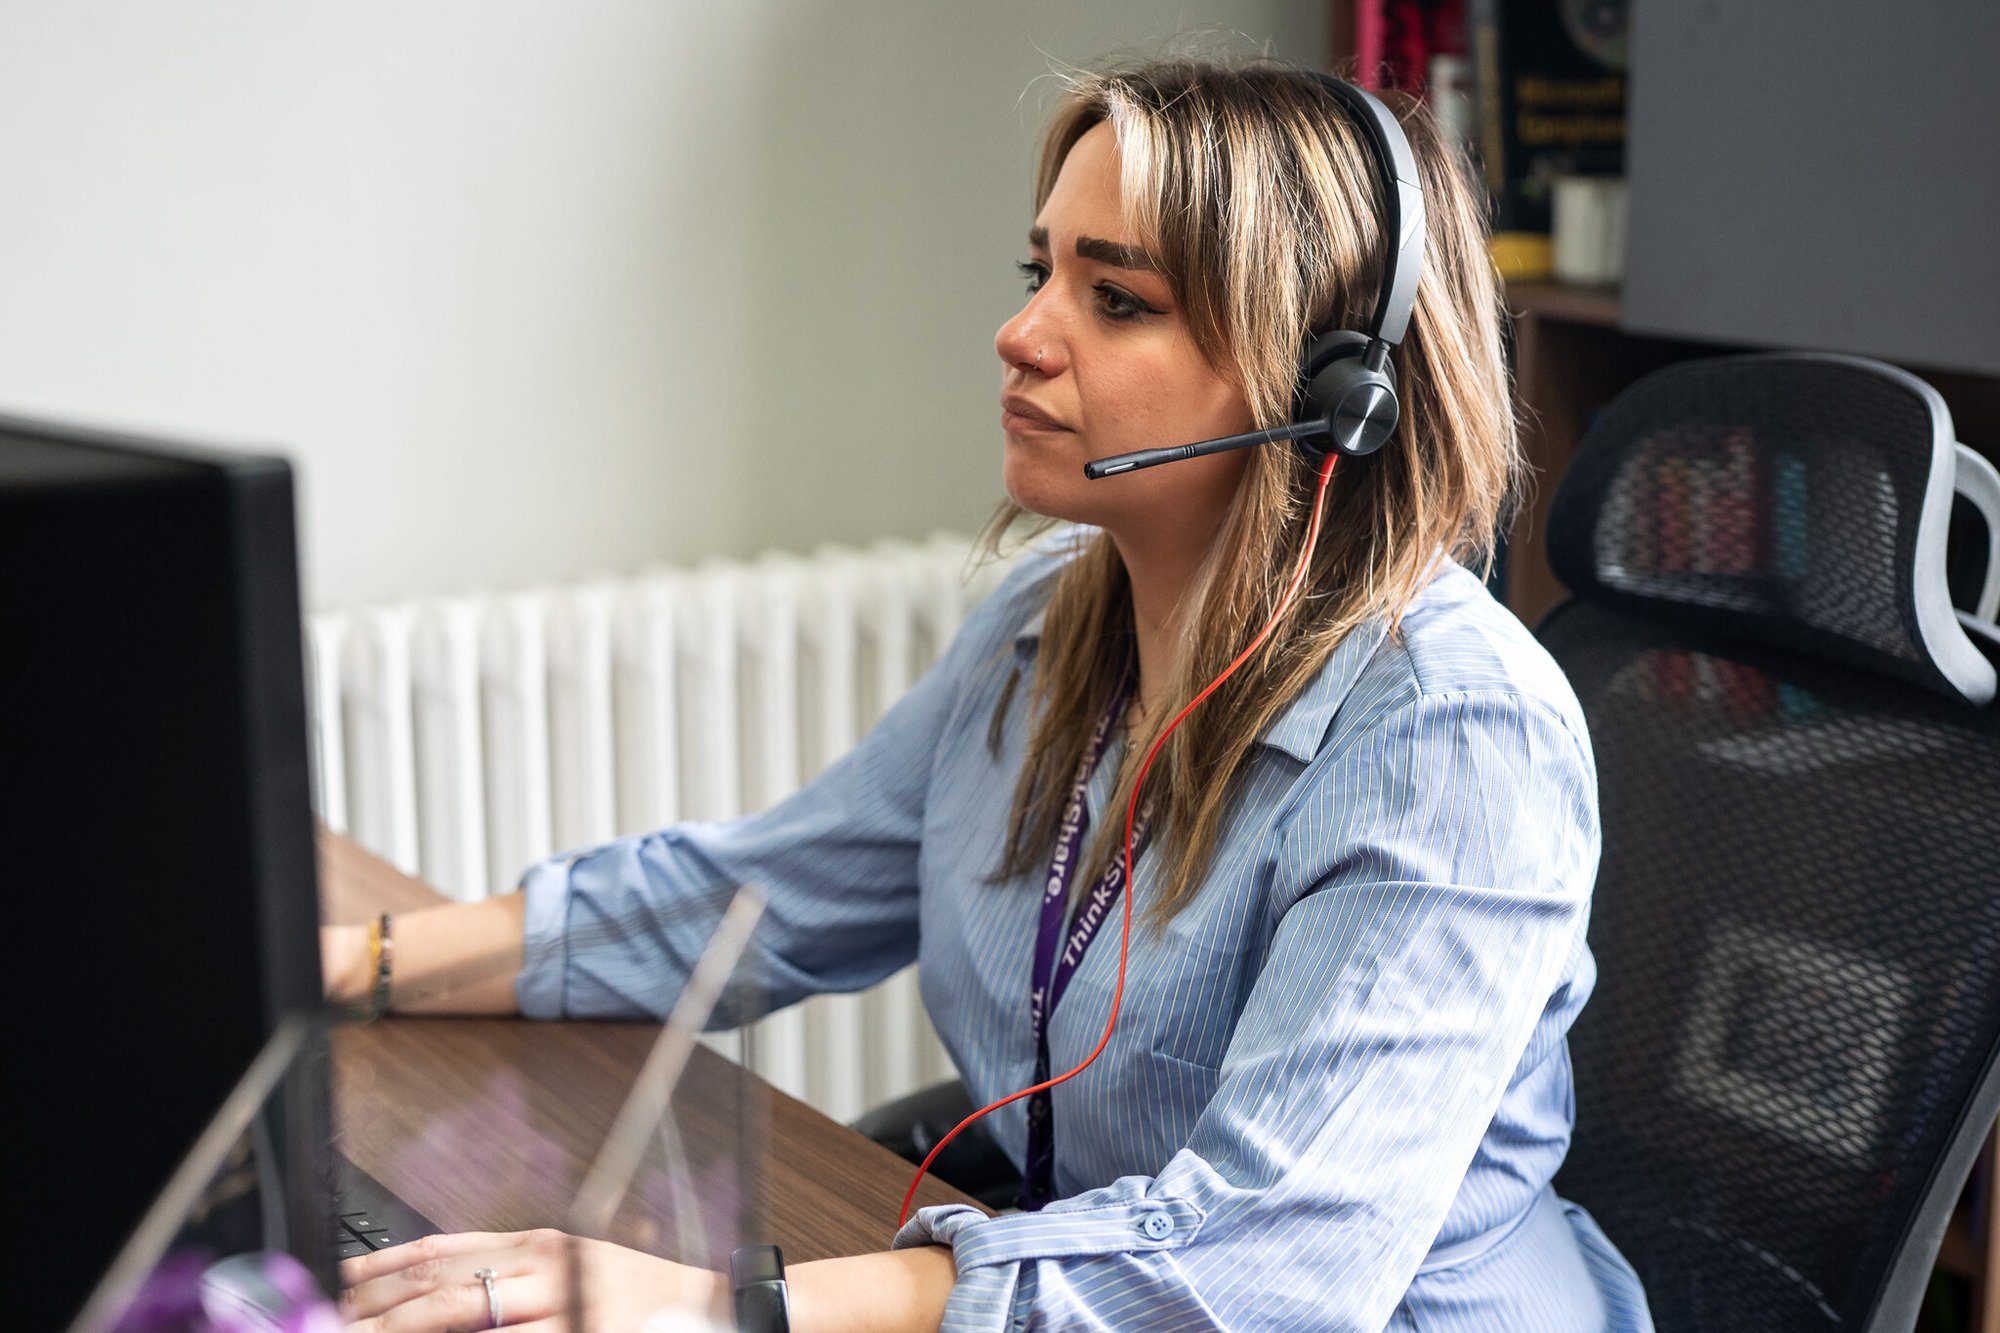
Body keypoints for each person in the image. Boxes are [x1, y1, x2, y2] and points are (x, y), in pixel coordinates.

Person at [328, 56, 1654, 1332]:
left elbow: (1267, 1273)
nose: (1021, 336)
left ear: (1328, 389)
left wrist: (705, 1301)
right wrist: (352, 967)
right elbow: (747, 900)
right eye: (1040, 275)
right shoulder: (1049, 623)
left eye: (1116, 299)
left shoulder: (1454, 739)